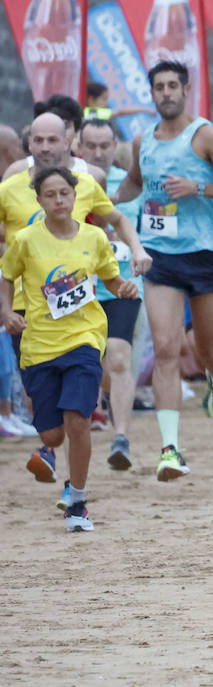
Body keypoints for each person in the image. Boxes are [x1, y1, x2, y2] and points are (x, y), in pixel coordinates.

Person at [111, 60, 213, 480]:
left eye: (173, 85)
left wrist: (198, 188)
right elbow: (136, 183)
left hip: (204, 252)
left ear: (185, 89)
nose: (167, 93)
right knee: (167, 347)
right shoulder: (144, 142)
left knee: (207, 349)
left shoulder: (205, 136)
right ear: (152, 93)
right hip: (160, 257)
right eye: (159, 87)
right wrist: (110, 207)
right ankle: (170, 449)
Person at [5, 113, 149, 482]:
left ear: (68, 140)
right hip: (26, 308)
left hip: (80, 315)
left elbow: (116, 221)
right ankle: (50, 444)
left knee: (78, 414)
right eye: (38, 140)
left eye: (52, 139)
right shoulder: (9, 186)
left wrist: (135, 252)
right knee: (47, 414)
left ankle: (76, 485)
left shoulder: (85, 184)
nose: (45, 147)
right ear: (29, 143)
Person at [0, 167, 139, 531]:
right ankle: (50, 451)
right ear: (39, 200)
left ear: (75, 197)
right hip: (39, 346)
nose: (59, 200)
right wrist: (5, 311)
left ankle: (77, 500)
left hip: (84, 340)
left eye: (65, 193)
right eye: (50, 194)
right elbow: (7, 277)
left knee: (78, 421)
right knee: (52, 434)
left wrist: (123, 287)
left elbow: (111, 278)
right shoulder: (26, 240)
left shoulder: (94, 237)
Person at [75, 117, 144, 468]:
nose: (99, 153)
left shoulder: (131, 186)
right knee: (92, 363)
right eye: (92, 146)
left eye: (106, 146)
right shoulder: (65, 187)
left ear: (116, 146)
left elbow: (140, 227)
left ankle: (121, 439)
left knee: (118, 357)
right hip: (74, 290)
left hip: (121, 285)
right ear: (78, 147)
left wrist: (140, 252)